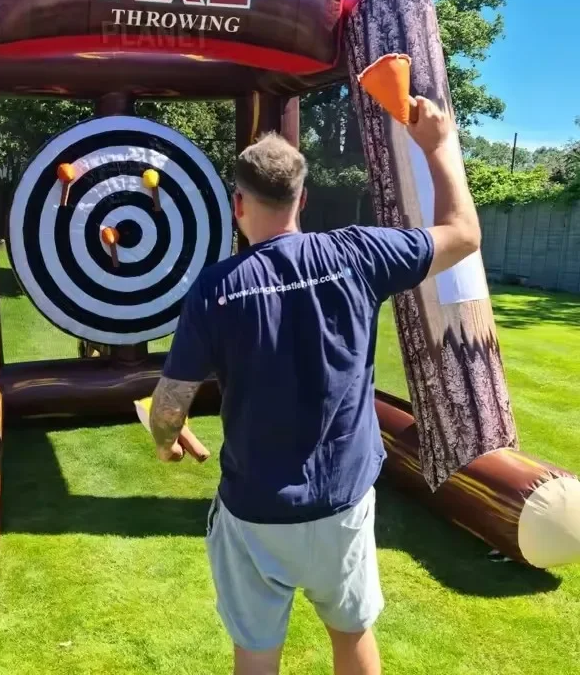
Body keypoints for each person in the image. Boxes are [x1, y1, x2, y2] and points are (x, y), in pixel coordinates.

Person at [149, 96, 481, 675]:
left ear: (237, 205)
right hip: (341, 503)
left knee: (256, 653)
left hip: (254, 511)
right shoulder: (358, 252)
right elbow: (463, 234)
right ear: (302, 199)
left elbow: (170, 403)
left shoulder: (213, 289)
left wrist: (165, 438)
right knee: (352, 636)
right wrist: (439, 145)